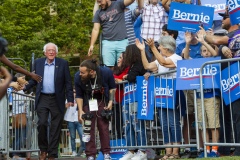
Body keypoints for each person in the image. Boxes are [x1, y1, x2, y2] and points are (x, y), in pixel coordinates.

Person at [24, 42, 74, 160]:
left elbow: (68, 83)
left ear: (56, 53)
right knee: (41, 123)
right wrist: (25, 87)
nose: (51, 52)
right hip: (42, 97)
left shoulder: (63, 63)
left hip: (57, 99)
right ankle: (43, 150)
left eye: (53, 50)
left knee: (56, 127)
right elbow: (34, 80)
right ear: (45, 53)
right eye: (49, 50)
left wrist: (70, 99)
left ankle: (52, 154)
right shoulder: (38, 63)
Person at [136, 36, 182, 159]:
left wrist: (152, 47)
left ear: (166, 48)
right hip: (162, 95)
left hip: (173, 93)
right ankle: (168, 152)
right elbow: (147, 66)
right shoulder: (160, 58)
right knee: (164, 124)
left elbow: (163, 63)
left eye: (160, 46)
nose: (159, 47)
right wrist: (142, 50)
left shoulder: (177, 58)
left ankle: (175, 152)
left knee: (173, 123)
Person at [185, 31, 220, 157]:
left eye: (207, 51)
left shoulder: (214, 60)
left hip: (212, 97)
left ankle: (215, 149)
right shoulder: (198, 61)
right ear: (200, 52)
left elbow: (215, 53)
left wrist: (204, 41)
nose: (206, 53)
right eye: (204, 51)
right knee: (202, 124)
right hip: (199, 97)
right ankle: (206, 149)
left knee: (213, 124)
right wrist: (188, 43)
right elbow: (185, 57)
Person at [75, 59, 116, 160]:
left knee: (103, 127)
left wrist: (110, 102)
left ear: (92, 72)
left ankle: (106, 152)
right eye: (80, 72)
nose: (80, 74)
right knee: (88, 128)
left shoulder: (106, 72)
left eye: (83, 72)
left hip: (102, 100)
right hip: (87, 101)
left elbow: (112, 87)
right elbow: (79, 95)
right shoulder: (77, 77)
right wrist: (80, 111)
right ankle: (90, 155)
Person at [88, 0, 135, 69]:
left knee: (124, 65)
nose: (99, 4)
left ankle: (121, 80)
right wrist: (91, 45)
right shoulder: (98, 13)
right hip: (108, 43)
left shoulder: (118, 4)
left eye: (100, 1)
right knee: (108, 68)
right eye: (98, 2)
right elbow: (95, 29)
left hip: (122, 41)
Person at [119, 44, 147, 160]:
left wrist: (127, 77)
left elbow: (131, 77)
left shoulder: (139, 64)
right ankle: (131, 150)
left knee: (137, 125)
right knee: (127, 125)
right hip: (127, 98)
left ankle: (142, 150)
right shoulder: (130, 66)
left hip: (136, 98)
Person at [64, 90, 86, 157]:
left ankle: (83, 150)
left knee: (82, 136)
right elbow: (65, 106)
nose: (74, 93)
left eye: (75, 92)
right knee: (72, 137)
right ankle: (73, 151)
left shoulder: (80, 98)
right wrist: (68, 104)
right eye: (73, 92)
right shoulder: (68, 98)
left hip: (78, 119)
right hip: (70, 120)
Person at [11, 73, 28, 159]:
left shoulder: (18, 91)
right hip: (19, 115)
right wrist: (27, 98)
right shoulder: (19, 91)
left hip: (19, 114)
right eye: (23, 78)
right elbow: (20, 102)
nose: (25, 81)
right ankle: (15, 154)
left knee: (19, 136)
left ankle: (16, 153)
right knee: (20, 136)